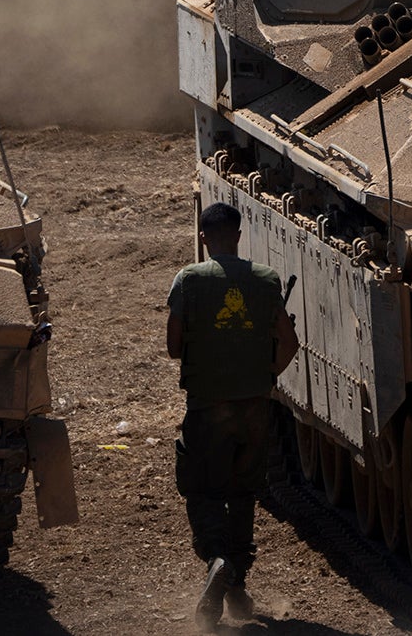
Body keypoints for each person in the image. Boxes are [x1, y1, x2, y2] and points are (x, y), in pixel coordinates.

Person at [166, 202, 298, 632]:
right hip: (255, 408)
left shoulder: (188, 279)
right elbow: (289, 342)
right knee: (243, 494)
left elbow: (172, 346)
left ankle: (217, 559)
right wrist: (266, 375)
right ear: (239, 235)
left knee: (203, 491)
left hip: (207, 408)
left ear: (204, 237)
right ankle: (235, 581)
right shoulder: (266, 280)